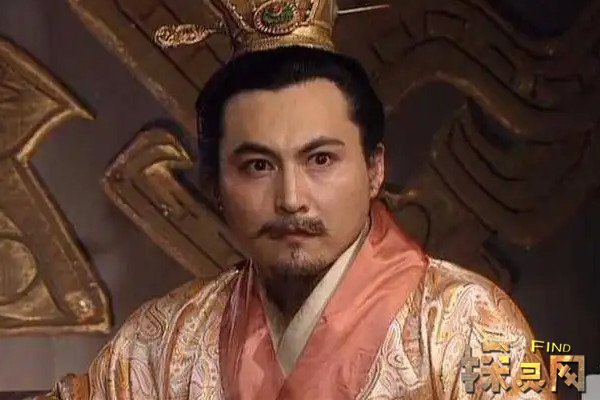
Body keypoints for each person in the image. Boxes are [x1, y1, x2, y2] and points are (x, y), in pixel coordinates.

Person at [40, 0, 555, 398]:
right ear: (215, 184)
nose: (290, 199)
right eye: (258, 166)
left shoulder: (466, 323)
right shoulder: (164, 341)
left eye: (321, 160)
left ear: (375, 168)